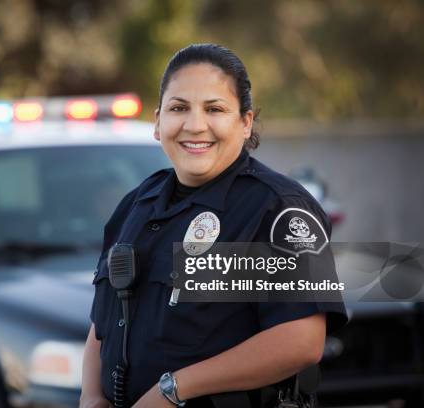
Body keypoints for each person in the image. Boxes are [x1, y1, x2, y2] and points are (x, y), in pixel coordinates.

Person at [80, 44, 347, 408]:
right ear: (157, 123)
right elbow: (103, 323)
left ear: (245, 122)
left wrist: (173, 390)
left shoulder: (279, 209)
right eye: (178, 108)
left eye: (214, 109)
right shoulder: (135, 205)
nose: (194, 125)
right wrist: (91, 396)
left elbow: (300, 341)